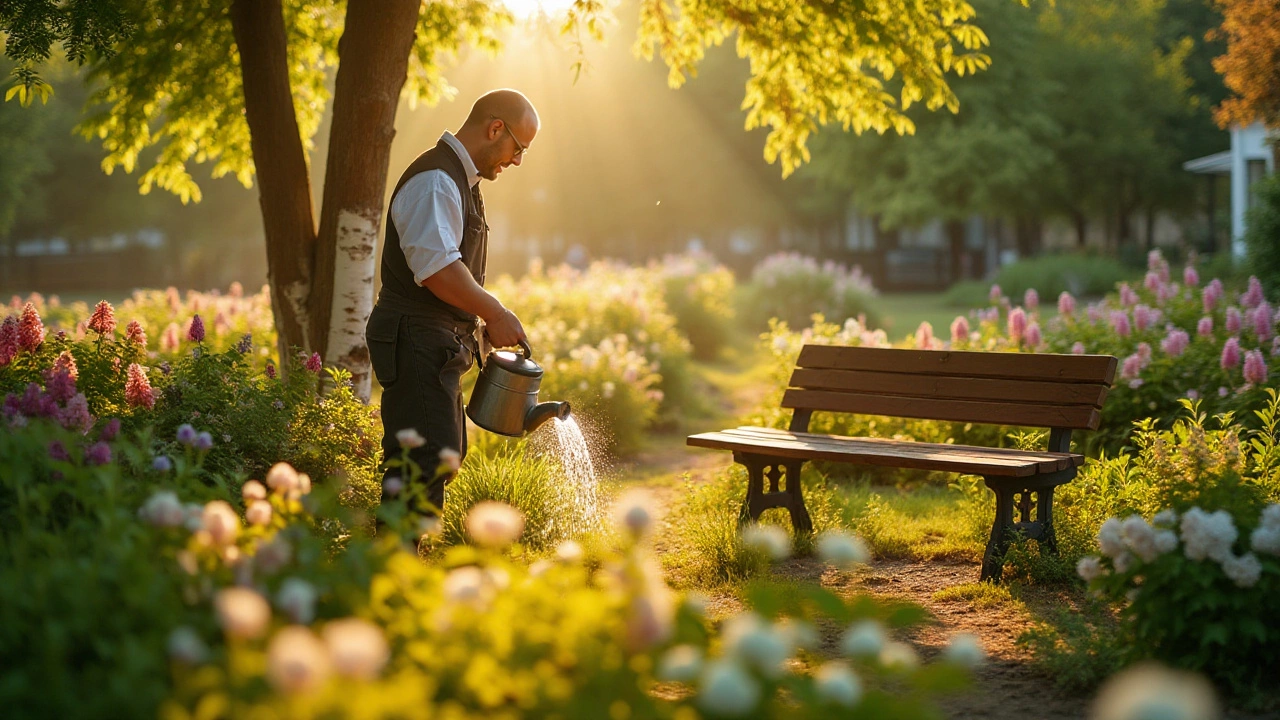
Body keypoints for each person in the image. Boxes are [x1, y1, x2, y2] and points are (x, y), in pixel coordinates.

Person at [365, 88, 535, 519]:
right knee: (424, 458)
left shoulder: (460, 181)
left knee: (441, 453)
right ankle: (398, 574)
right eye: (518, 148)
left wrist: (476, 324)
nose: (517, 161)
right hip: (414, 338)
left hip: (432, 341)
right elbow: (438, 270)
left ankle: (402, 567)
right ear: (495, 128)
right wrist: (493, 312)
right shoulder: (436, 180)